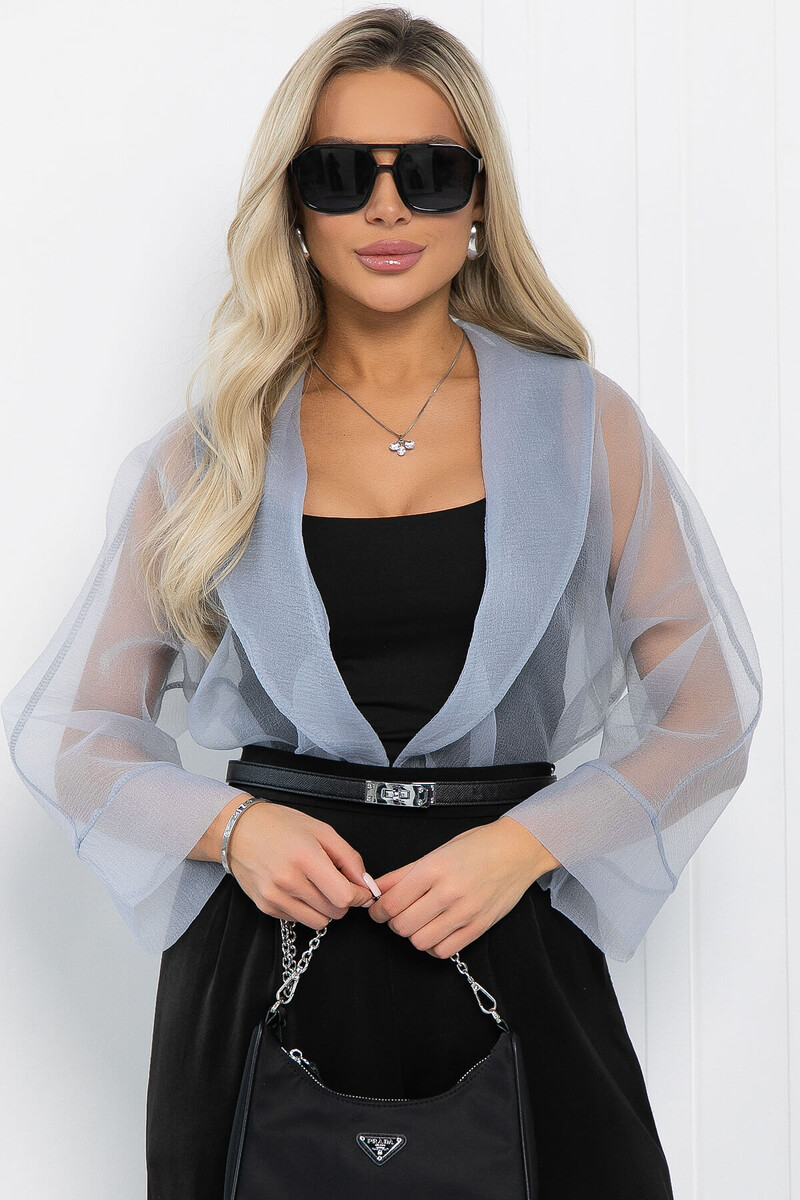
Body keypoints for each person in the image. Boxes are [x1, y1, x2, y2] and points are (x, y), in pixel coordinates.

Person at [1, 8, 762, 1199]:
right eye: (342, 173)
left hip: (502, 926)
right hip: (271, 956)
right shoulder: (211, 452)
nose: (387, 207)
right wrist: (234, 829)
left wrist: (523, 847)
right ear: (294, 208)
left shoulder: (580, 424)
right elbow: (79, 736)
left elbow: (707, 715)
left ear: (478, 200)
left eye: (430, 171)